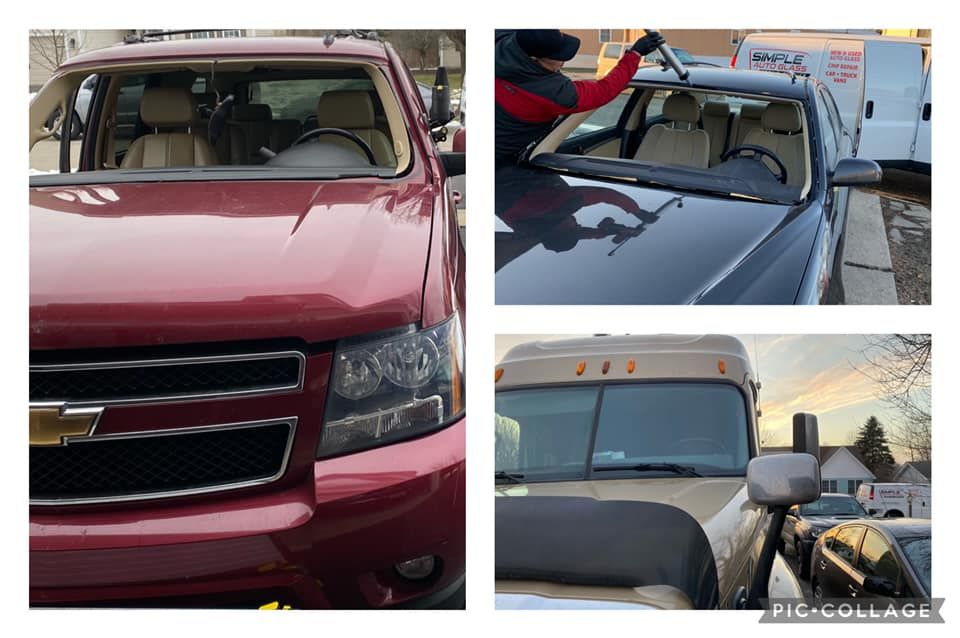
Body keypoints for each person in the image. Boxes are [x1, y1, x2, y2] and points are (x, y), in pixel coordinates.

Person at [495, 29, 665, 166]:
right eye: (558, 57)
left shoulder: (500, 41)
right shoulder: (553, 92)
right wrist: (635, 54)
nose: (563, 62)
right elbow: (604, 90)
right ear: (533, 59)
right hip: (501, 160)